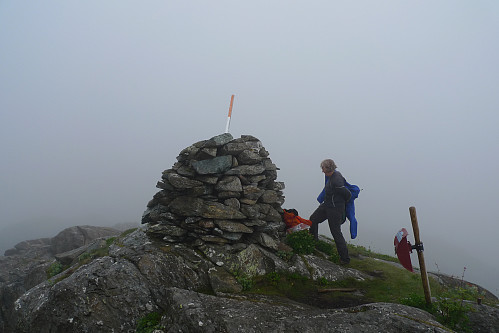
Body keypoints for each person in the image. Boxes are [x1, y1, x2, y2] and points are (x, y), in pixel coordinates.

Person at [309, 159, 352, 264]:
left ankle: (345, 259)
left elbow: (347, 194)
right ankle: (313, 242)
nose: (322, 171)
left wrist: (341, 205)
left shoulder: (336, 180)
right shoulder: (331, 176)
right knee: (313, 219)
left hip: (335, 209)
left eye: (323, 168)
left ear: (328, 168)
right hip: (326, 205)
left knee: (336, 232)